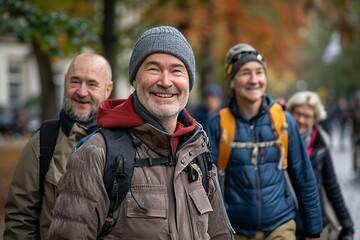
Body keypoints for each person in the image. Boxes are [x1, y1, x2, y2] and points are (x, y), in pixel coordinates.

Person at [47, 26, 234, 239]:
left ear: (189, 82)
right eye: (153, 69)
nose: (165, 81)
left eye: (177, 70)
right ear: (135, 79)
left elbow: (219, 233)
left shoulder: (198, 150)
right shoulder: (97, 154)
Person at [205, 43, 323, 240]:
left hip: (280, 226)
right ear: (232, 81)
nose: (254, 80)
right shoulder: (218, 126)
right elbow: (206, 186)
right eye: (245, 73)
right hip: (234, 230)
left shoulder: (283, 121)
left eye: (259, 72)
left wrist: (313, 230)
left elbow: (304, 177)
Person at [3, 53, 114, 240]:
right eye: (75, 81)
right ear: (64, 82)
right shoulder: (43, 142)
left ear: (108, 89)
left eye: (92, 84)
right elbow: (20, 219)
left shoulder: (122, 143)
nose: (82, 91)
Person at [286, 91, 355, 240]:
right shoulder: (279, 142)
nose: (301, 120)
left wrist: (347, 224)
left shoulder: (320, 144)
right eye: (297, 113)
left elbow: (331, 185)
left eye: (307, 116)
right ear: (289, 114)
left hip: (317, 227)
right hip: (287, 227)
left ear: (315, 119)